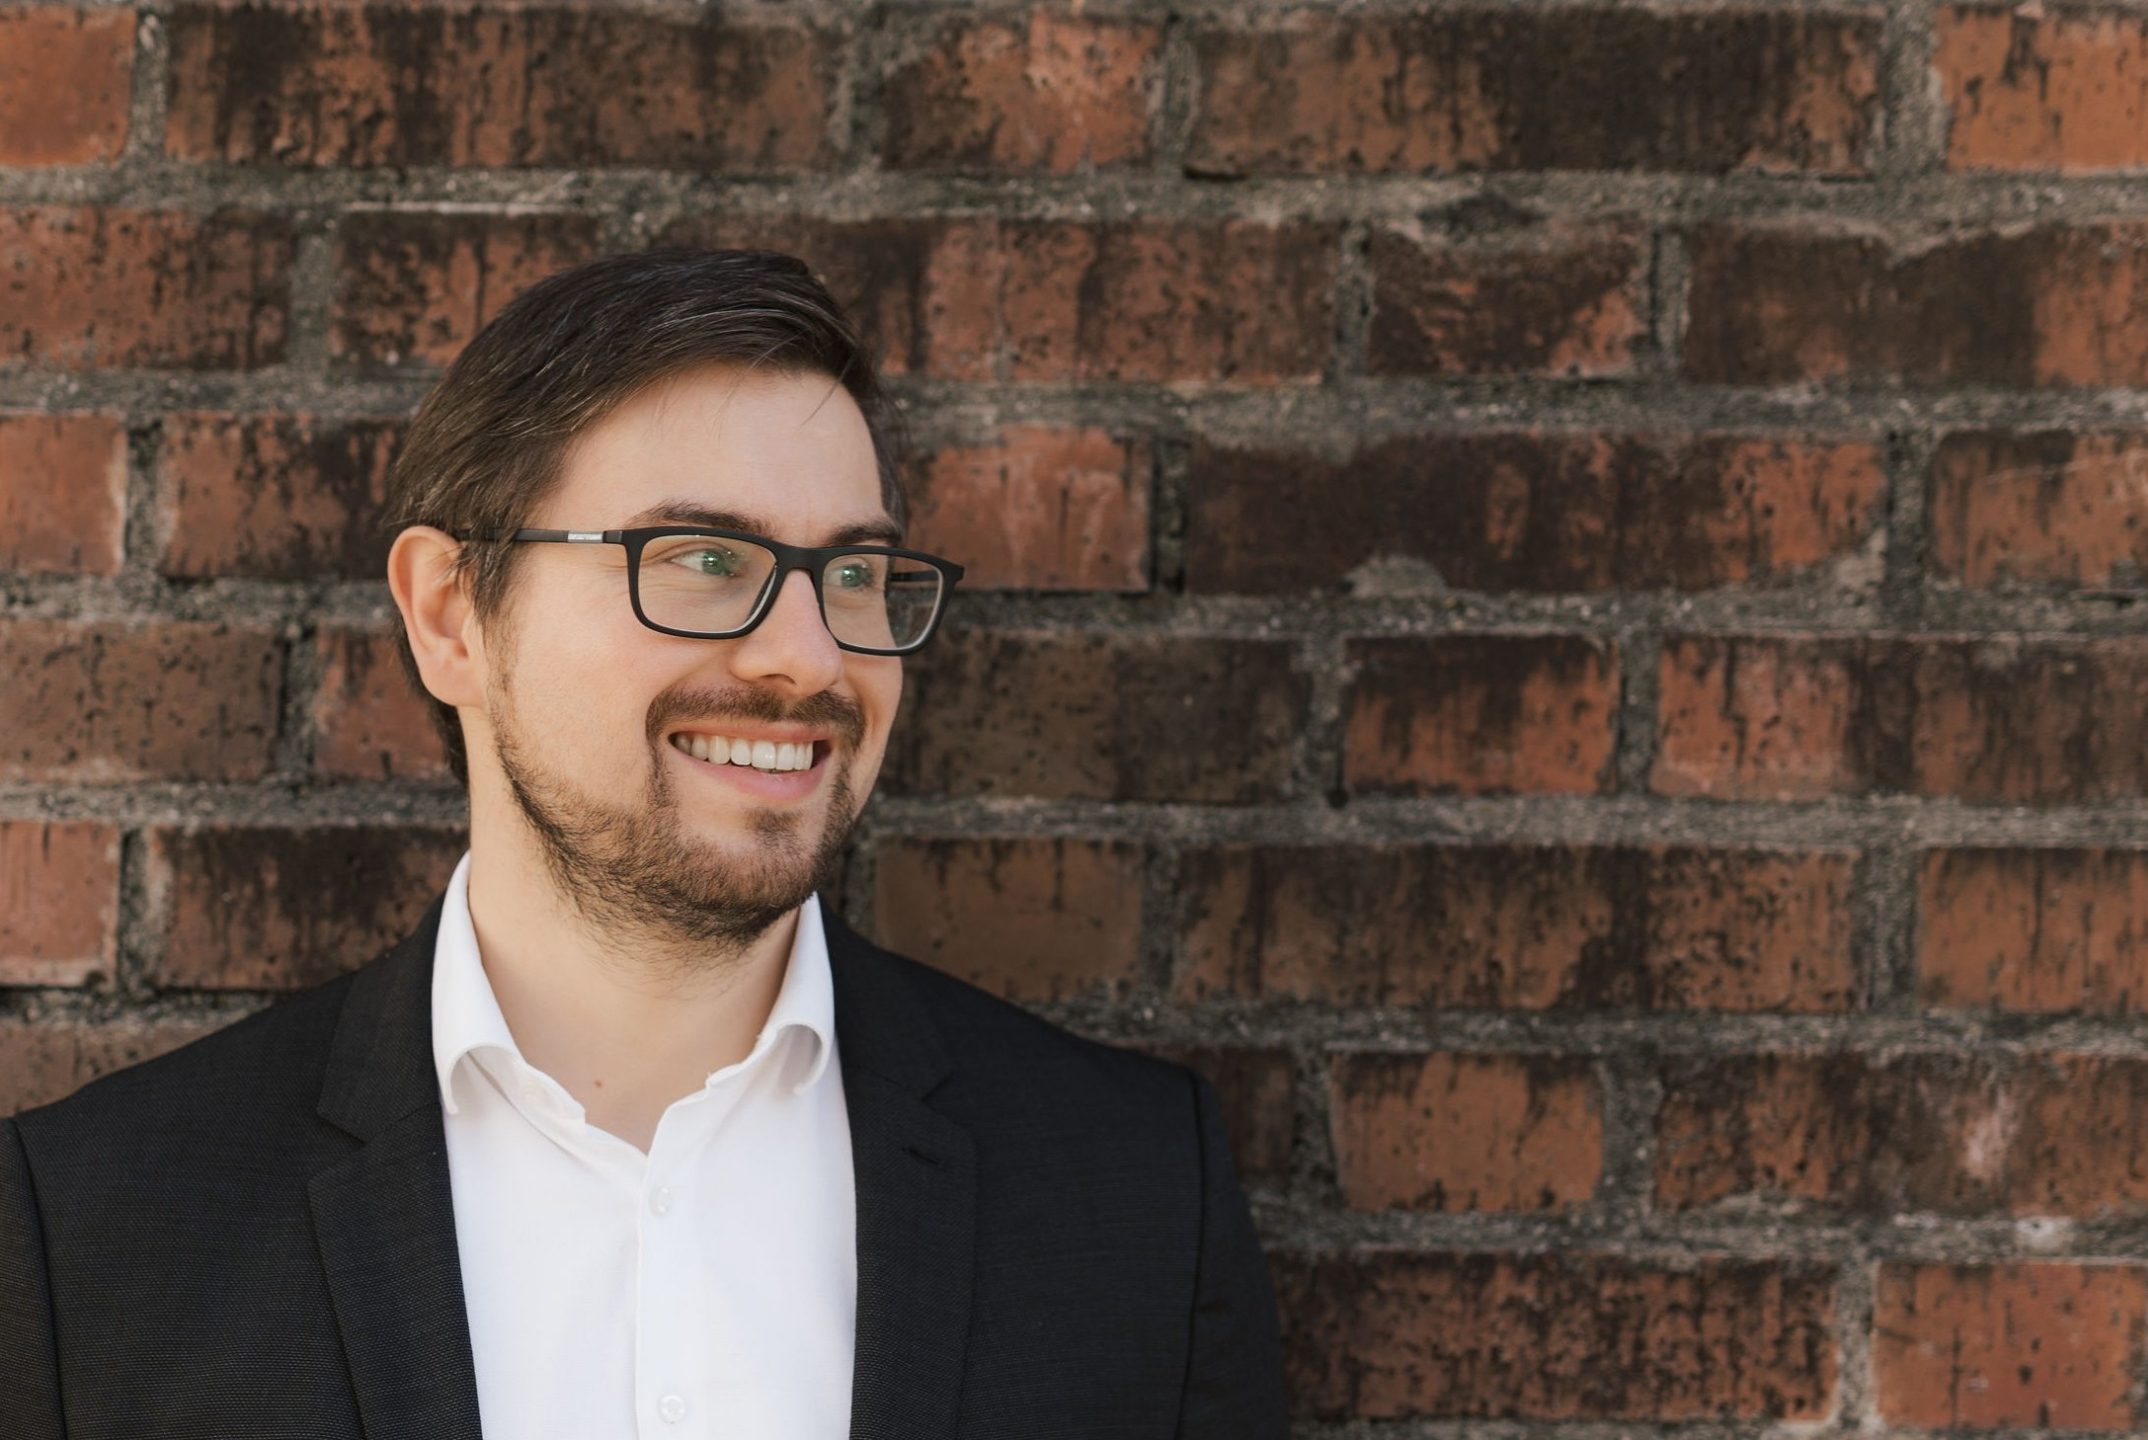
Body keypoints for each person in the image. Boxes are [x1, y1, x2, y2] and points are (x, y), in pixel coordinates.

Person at [0, 249, 1289, 1438]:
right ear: (452, 615)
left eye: (852, 575)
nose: (809, 659)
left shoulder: (1135, 1193)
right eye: (702, 561)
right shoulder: (93, 1231)